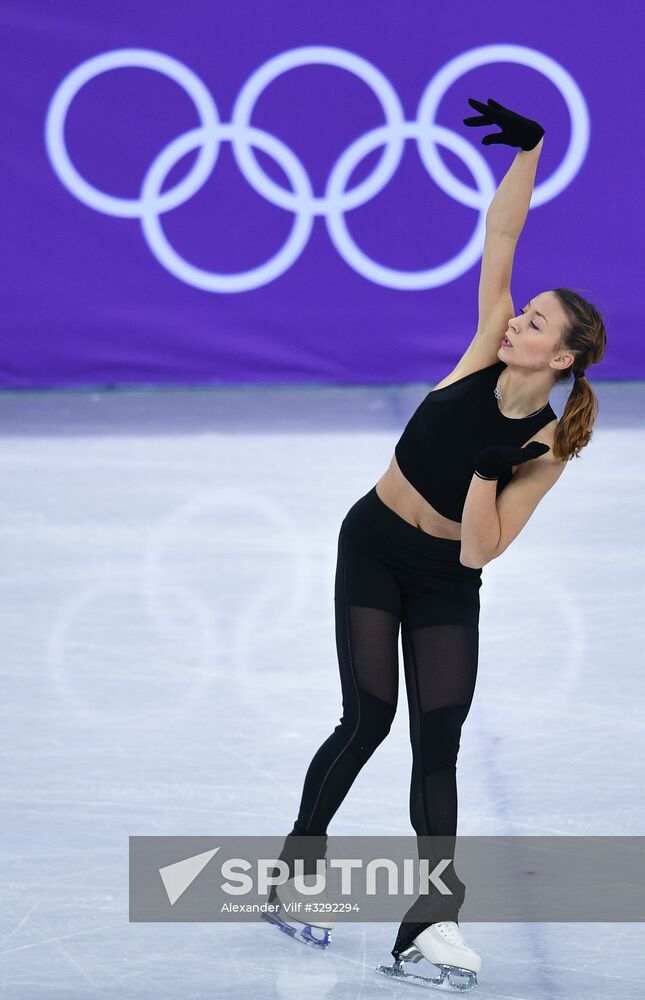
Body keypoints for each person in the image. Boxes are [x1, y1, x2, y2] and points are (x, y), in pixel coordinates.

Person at [263, 97, 607, 991]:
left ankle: (427, 923)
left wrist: (490, 475)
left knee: (438, 740)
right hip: (373, 544)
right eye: (520, 312)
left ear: (560, 359)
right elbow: (503, 232)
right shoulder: (477, 356)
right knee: (367, 718)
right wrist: (530, 150)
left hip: (446, 577)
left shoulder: (549, 450)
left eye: (533, 322)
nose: (514, 322)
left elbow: (478, 556)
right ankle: (295, 877)